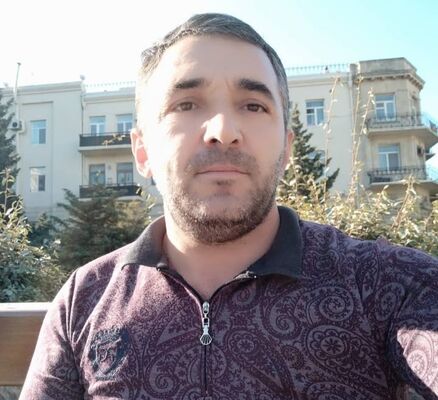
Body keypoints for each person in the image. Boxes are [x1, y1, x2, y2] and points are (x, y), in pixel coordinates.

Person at [20, 13, 438, 400]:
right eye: (186, 104)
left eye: (253, 105)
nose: (223, 130)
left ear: (287, 149)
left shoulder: (390, 283)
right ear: (142, 150)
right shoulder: (84, 299)